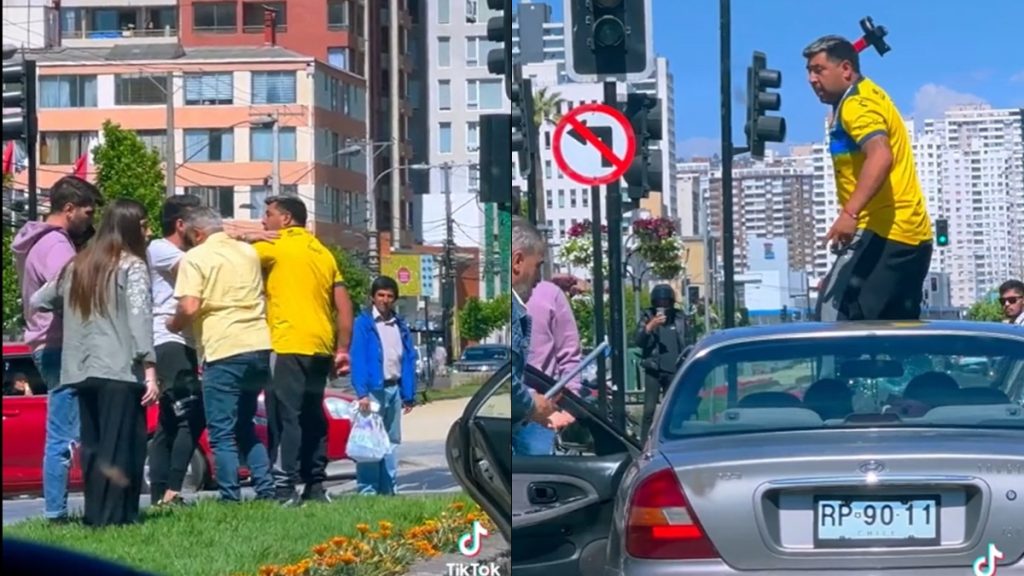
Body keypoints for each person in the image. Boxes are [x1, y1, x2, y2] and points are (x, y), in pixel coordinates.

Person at [30, 198, 159, 527]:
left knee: (95, 446)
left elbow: (39, 299)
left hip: (80, 367)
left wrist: (71, 311)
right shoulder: (132, 265)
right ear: (130, 227)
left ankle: (96, 514)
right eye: (144, 224)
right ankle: (118, 517)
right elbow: (139, 319)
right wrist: (150, 370)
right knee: (123, 444)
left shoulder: (78, 264)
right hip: (119, 368)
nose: (149, 231)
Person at [804, 36, 933, 321]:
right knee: (895, 329)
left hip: (884, 231)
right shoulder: (871, 93)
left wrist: (850, 213)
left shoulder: (856, 105)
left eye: (818, 70)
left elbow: (880, 155)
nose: (812, 79)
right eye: (809, 72)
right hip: (913, 236)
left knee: (832, 317)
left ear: (846, 69)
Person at [166, 207, 275, 502]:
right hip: (258, 344)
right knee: (245, 423)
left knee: (221, 432)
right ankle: (266, 488)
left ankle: (230, 496)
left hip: (223, 348)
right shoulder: (247, 252)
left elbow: (189, 307)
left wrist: (171, 324)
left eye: (190, 237)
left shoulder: (195, 258)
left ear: (198, 234)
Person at [12, 175, 101, 523]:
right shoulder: (56, 244)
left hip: (48, 342)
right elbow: (69, 289)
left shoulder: (40, 240)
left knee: (66, 430)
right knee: (64, 435)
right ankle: (56, 513)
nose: (91, 220)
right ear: (69, 209)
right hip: (60, 343)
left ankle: (60, 510)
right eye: (88, 212)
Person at [255, 196, 353, 505]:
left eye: (267, 215)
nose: (262, 222)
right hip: (320, 346)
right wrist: (342, 349)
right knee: (313, 414)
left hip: (287, 343)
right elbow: (344, 306)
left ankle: (284, 487)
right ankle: (315, 484)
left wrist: (245, 238)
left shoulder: (274, 245)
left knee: (287, 416)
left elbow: (231, 257)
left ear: (285, 219)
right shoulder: (323, 253)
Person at [146, 194, 205, 507]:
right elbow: (202, 265)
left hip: (186, 342)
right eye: (198, 222)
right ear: (180, 224)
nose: (202, 230)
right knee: (192, 416)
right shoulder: (160, 249)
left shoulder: (183, 252)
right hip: (168, 340)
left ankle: (159, 495)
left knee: (169, 422)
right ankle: (171, 490)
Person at [349, 276, 417, 495]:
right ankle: (368, 491)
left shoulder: (400, 325)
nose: (385, 300)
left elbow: (407, 359)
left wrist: (409, 394)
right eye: (381, 295)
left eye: (389, 296)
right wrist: (362, 393)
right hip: (372, 391)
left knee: (390, 441)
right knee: (370, 441)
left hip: (394, 388)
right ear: (372, 297)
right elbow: (357, 358)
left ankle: (388, 490)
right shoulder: (364, 324)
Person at [510, 217, 559, 450]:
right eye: (538, 266)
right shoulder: (512, 312)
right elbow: (506, 379)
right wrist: (532, 404)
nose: (539, 279)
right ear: (518, 261)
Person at [520, 280, 582, 455]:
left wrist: (571, 405)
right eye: (537, 265)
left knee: (536, 477)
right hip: (501, 415)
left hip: (543, 416)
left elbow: (569, 354)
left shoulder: (550, 294)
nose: (537, 274)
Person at [635, 284, 689, 443]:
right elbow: (638, 341)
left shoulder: (680, 318)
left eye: (666, 302)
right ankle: (644, 444)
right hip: (654, 369)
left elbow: (688, 341)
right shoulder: (647, 316)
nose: (662, 306)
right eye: (659, 302)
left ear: (671, 302)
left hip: (674, 370)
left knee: (671, 410)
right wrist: (650, 326)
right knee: (649, 410)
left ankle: (670, 442)